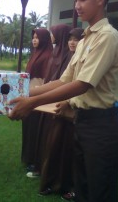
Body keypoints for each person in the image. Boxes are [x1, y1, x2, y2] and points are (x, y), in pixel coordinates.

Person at [9, 0, 118, 202]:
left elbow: (81, 84)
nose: (77, 6)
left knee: (99, 190)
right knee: (82, 186)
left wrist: (31, 103)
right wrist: (22, 92)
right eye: (75, 0)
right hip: (81, 121)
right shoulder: (85, 40)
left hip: (100, 126)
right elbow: (63, 80)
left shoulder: (106, 37)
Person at [39, 27, 84, 201]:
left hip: (75, 112)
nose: (72, 42)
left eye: (77, 39)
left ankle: (69, 185)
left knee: (71, 151)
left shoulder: (82, 58)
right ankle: (53, 182)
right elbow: (61, 82)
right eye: (70, 39)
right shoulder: (70, 57)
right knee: (55, 146)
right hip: (60, 109)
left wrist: (67, 101)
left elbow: (83, 86)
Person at [27, 23, 71, 178]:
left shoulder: (66, 55)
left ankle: (46, 169)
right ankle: (37, 163)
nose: (34, 40)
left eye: (53, 33)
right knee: (41, 133)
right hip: (41, 96)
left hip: (53, 99)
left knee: (52, 136)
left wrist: (38, 94)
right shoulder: (54, 53)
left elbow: (63, 80)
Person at [21, 28, 53, 172]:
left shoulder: (48, 56)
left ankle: (35, 160)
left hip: (38, 98)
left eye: (37, 37)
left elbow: (47, 80)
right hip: (29, 95)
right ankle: (28, 157)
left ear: (44, 39)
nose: (34, 40)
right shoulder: (35, 54)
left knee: (36, 130)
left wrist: (37, 95)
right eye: (33, 37)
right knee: (28, 128)